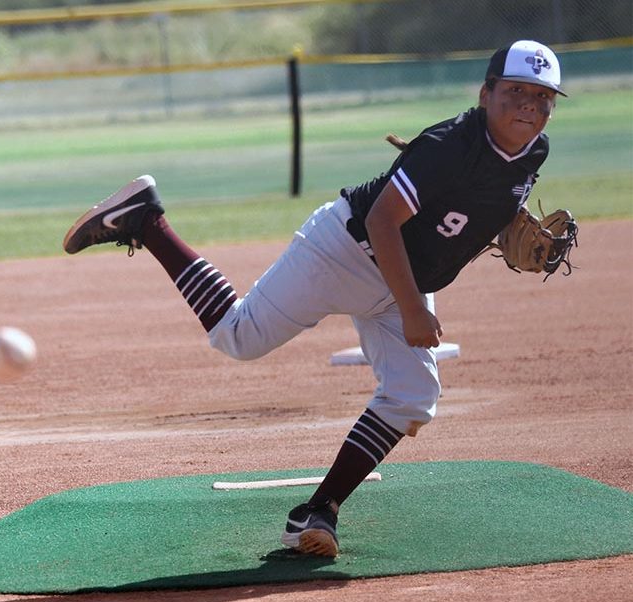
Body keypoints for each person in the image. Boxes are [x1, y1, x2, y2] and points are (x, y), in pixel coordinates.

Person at [62, 40, 566, 557]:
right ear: (485, 94)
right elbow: (381, 220)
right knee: (238, 337)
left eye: (543, 97)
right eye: (515, 91)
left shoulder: (535, 152)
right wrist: (413, 308)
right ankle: (147, 220)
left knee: (413, 395)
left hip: (404, 279)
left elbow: (482, 205)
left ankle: (317, 513)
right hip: (346, 250)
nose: (529, 105)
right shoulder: (449, 146)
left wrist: (500, 226)